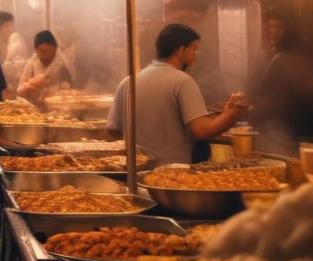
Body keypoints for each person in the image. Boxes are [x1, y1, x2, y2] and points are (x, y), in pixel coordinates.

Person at [107, 23, 251, 164]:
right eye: (194, 50)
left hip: (135, 172)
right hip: (173, 173)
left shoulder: (128, 82)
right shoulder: (182, 81)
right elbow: (202, 131)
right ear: (182, 50)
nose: (195, 57)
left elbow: (113, 129)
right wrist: (235, 112)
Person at [251, 10, 313, 156]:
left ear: (290, 30)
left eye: (278, 27)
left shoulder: (293, 59)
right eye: (270, 27)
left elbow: (276, 100)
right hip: (277, 133)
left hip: (291, 136)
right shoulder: (273, 56)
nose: (273, 32)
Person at [17, 30, 74, 103]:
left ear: (55, 49)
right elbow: (19, 90)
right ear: (36, 50)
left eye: (47, 51)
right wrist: (27, 87)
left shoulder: (62, 63)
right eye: (41, 51)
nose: (44, 54)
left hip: (57, 106)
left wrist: (58, 89)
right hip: (35, 107)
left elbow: (70, 88)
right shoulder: (32, 63)